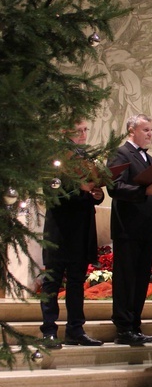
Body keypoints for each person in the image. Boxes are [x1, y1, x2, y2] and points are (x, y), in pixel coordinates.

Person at [107, 114, 152, 346]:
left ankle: (135, 324)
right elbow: (114, 187)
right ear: (131, 130)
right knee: (126, 279)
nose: (150, 134)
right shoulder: (120, 154)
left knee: (140, 280)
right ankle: (123, 327)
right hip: (128, 227)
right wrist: (144, 192)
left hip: (146, 228)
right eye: (145, 129)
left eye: (151, 130)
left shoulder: (149, 159)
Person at [40, 120, 105, 348]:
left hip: (81, 230)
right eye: (79, 130)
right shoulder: (55, 159)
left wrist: (97, 194)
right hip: (59, 230)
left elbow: (93, 190)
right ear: (65, 130)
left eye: (86, 129)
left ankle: (75, 330)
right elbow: (52, 193)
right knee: (52, 282)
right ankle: (48, 331)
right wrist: (80, 188)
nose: (84, 134)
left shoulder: (87, 158)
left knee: (77, 282)